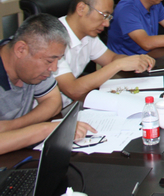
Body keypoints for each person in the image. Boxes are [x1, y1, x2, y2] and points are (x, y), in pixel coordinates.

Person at [0, 14, 95, 155]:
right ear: (20, 50)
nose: (54, 68)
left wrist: (13, 126)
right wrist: (45, 129)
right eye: (49, 61)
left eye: (58, 60)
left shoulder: (32, 63)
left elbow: (53, 102)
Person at [55, 0, 155, 107]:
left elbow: (111, 58)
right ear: (81, 9)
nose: (107, 24)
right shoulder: (53, 40)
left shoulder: (88, 34)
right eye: (104, 15)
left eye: (109, 17)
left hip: (73, 105)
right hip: (55, 113)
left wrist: (136, 60)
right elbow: (73, 89)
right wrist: (118, 65)